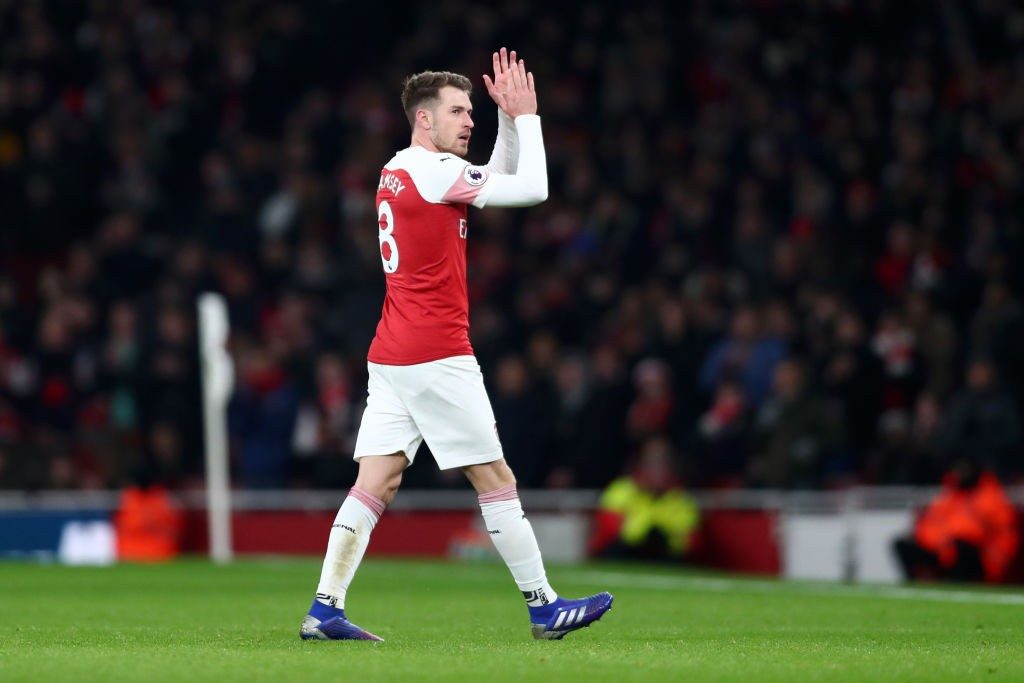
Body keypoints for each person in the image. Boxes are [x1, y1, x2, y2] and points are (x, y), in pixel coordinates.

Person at [299, 49, 612, 642]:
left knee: (377, 481)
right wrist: (530, 117)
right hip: (435, 352)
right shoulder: (436, 172)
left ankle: (325, 608)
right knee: (495, 479)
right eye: (459, 111)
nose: (470, 120)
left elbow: (492, 175)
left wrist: (507, 122)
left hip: (391, 351)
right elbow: (534, 190)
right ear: (424, 119)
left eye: (473, 111)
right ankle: (544, 605)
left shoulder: (400, 168)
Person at [892, 459, 1019, 583]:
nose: (960, 474)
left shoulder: (990, 497)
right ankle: (917, 585)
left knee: (961, 546)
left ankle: (957, 584)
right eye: (958, 471)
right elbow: (930, 523)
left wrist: (998, 559)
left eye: (964, 471)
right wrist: (939, 544)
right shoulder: (949, 495)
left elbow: (1002, 532)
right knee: (902, 543)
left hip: (979, 554)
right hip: (944, 549)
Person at [589, 436, 700, 561]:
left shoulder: (681, 499)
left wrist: (662, 537)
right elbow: (607, 532)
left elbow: (687, 543)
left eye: (663, 462)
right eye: (652, 462)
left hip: (664, 559)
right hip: (623, 554)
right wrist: (641, 535)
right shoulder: (622, 490)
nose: (658, 470)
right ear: (640, 464)